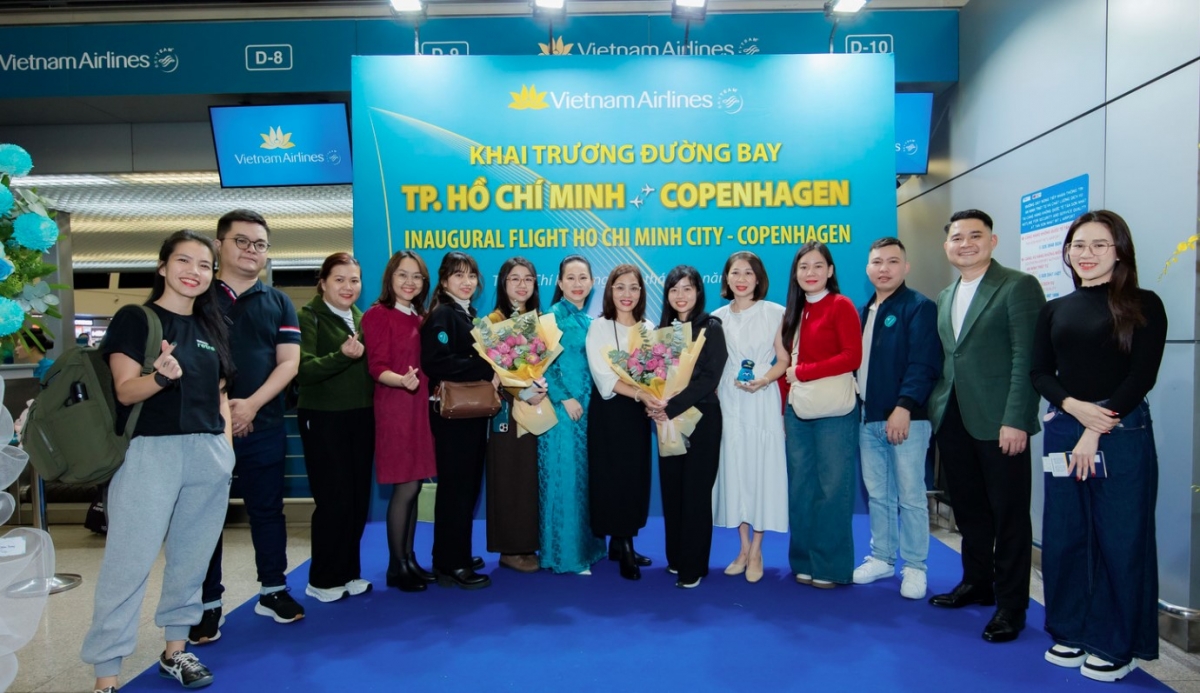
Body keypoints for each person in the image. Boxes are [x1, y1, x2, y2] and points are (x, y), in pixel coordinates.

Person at [81, 229, 236, 693]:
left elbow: (222, 396)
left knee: (191, 562)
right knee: (128, 565)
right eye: (184, 261)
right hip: (151, 453)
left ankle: (176, 649)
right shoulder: (137, 319)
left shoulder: (213, 326)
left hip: (207, 454)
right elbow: (126, 389)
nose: (194, 272)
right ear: (163, 267)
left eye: (204, 265)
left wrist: (225, 451)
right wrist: (160, 377)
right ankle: (106, 674)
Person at [1031, 210, 1167, 682]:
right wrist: (1071, 406)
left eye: (1098, 245)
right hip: (1066, 428)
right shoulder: (1054, 308)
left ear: (1119, 251)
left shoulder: (1143, 304)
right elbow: (1039, 372)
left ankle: (1116, 643)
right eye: (1078, 245)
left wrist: (1096, 425)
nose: (1085, 254)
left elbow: (1141, 376)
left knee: (1119, 538)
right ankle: (1070, 630)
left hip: (1120, 431)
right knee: (1066, 535)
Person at [927, 209, 1045, 643]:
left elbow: (1025, 358)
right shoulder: (946, 294)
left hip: (1000, 422)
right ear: (947, 246)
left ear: (992, 241)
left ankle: (1012, 606)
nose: (965, 243)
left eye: (975, 236)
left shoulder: (1017, 287)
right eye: (957, 237)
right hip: (954, 417)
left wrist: (1016, 418)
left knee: (1009, 514)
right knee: (970, 509)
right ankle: (977, 582)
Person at [192, 209, 303, 644]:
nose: (251, 251)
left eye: (259, 244)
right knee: (206, 517)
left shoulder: (278, 302)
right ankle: (207, 604)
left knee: (267, 510)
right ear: (219, 245)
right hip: (203, 428)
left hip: (265, 423)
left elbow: (289, 362)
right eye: (242, 241)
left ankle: (273, 590)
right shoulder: (197, 297)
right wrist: (225, 411)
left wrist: (251, 406)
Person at [851, 238, 942, 599]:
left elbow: (924, 363)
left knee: (910, 496)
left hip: (906, 418)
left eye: (892, 261)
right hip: (867, 419)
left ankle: (915, 566)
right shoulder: (863, 311)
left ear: (906, 267)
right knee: (879, 495)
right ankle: (883, 557)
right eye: (877, 262)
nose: (884, 268)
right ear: (868, 268)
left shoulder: (919, 307)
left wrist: (903, 406)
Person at [781, 241, 863, 589]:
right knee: (801, 488)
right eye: (803, 267)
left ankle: (831, 566)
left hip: (834, 411)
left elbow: (851, 357)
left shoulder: (840, 305)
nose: (810, 273)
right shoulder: (795, 312)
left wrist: (805, 371)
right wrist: (786, 405)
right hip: (797, 411)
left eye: (817, 266)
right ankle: (803, 559)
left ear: (830, 271)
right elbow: (786, 367)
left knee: (833, 488)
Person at [296, 253, 375, 602]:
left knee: (358, 500)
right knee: (333, 499)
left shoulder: (360, 318)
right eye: (340, 279)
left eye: (354, 280)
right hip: (323, 416)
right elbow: (302, 369)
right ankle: (322, 578)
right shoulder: (308, 316)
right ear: (323, 282)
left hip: (361, 417)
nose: (348, 286)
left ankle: (348, 572)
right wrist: (342, 355)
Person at [361, 251, 438, 592]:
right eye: (402, 275)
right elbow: (377, 367)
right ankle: (396, 565)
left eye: (417, 277)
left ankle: (409, 558)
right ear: (389, 278)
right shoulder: (378, 315)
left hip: (420, 409)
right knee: (404, 487)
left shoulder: (421, 317)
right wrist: (401, 380)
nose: (409, 282)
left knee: (416, 485)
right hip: (395, 407)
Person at [711, 251, 789, 583]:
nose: (741, 278)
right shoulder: (716, 318)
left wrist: (765, 380)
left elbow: (784, 359)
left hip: (762, 400)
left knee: (760, 472)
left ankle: (757, 550)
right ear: (726, 279)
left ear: (758, 278)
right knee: (736, 472)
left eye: (748, 272)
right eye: (734, 272)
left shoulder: (775, 313)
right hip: (728, 402)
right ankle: (742, 548)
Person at [421, 251, 497, 590]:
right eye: (458, 276)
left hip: (469, 415)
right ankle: (452, 564)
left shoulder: (466, 314)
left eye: (471, 276)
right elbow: (436, 363)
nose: (466, 282)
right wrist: (486, 365)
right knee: (456, 490)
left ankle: (454, 554)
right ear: (444, 280)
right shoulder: (443, 315)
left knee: (465, 489)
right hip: (454, 418)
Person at [585, 263, 663, 581]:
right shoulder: (599, 327)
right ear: (610, 291)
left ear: (641, 292)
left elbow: (659, 373)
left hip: (638, 416)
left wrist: (654, 395)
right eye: (620, 287)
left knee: (635, 476)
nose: (626, 294)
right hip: (610, 412)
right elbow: (603, 377)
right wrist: (640, 394)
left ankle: (622, 540)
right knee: (611, 477)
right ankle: (623, 543)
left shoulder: (650, 327)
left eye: (633, 287)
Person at [653, 265, 727, 589]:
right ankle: (675, 558)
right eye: (674, 289)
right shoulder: (660, 333)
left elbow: (709, 378)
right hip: (667, 420)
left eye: (687, 288)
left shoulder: (712, 327)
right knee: (672, 490)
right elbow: (651, 377)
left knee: (695, 493)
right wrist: (653, 402)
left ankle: (693, 566)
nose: (680, 295)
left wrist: (670, 406)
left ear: (698, 292)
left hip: (702, 419)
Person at [537, 255, 606, 575]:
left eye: (583, 278)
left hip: (589, 413)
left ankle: (587, 547)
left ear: (592, 283)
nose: (578, 284)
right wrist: (564, 399)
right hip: (564, 413)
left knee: (583, 481)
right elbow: (542, 365)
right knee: (564, 480)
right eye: (571, 278)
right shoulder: (550, 318)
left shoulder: (589, 321)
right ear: (560, 283)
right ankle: (566, 555)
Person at [484, 257, 544, 574]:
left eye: (528, 279)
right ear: (503, 283)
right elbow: (494, 368)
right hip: (506, 412)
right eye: (514, 279)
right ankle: (510, 548)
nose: (521, 285)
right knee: (509, 476)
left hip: (535, 409)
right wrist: (518, 388)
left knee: (529, 478)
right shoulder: (493, 321)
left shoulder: (539, 320)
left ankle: (528, 542)